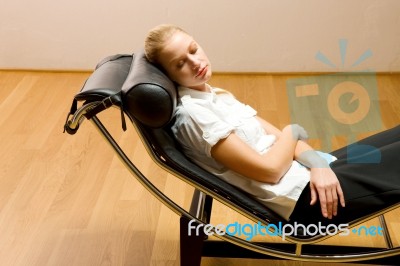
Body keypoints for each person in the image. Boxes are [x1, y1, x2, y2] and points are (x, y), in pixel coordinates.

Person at [144, 24, 400, 225]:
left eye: (193, 49)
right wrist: (293, 129)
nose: (195, 62)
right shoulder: (194, 116)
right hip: (305, 199)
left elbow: (282, 139)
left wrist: (318, 163)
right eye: (180, 64)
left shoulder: (213, 94)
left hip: (311, 172)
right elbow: (270, 170)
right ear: (169, 76)